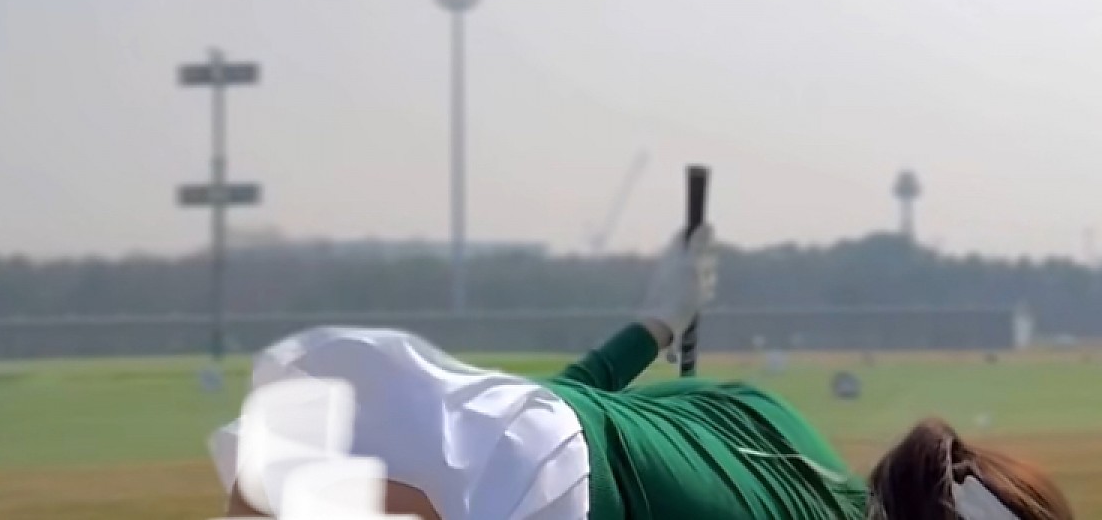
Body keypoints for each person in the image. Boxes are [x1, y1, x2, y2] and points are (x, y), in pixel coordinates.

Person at [210, 229, 1073, 520]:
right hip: (512, 478)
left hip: (485, 415)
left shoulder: (772, 415)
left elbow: (566, 407)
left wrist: (658, 321)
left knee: (266, 484)